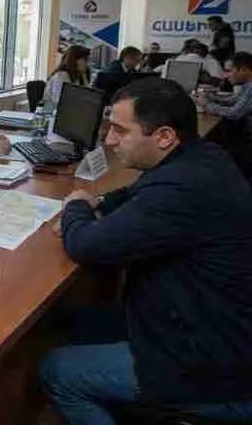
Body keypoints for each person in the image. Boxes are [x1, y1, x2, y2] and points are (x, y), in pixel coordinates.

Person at [40, 78, 252, 424]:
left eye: (120, 131)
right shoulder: (200, 157)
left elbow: (85, 245)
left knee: (57, 371)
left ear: (164, 137)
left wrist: (78, 205)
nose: (109, 140)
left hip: (212, 362)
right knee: (73, 321)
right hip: (199, 318)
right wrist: (102, 201)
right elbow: (136, 193)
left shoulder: (182, 189)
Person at [42, 45, 91, 113]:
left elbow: (88, 96)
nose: (87, 64)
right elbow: (59, 102)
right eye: (85, 60)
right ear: (74, 60)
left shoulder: (79, 76)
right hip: (52, 114)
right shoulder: (61, 77)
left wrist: (84, 76)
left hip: (70, 113)